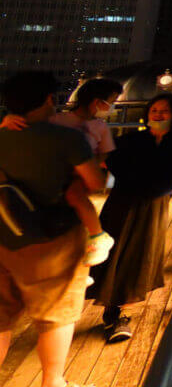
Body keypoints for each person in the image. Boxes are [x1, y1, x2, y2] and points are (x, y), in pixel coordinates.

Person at [0, 71, 107, 387]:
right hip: (50, 238)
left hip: (3, 235)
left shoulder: (1, 133)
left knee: (0, 314)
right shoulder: (65, 139)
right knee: (57, 314)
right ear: (48, 99)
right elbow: (95, 183)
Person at [91, 93, 172, 343]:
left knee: (141, 253)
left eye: (164, 111)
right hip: (123, 202)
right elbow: (103, 158)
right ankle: (114, 311)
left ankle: (120, 310)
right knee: (116, 252)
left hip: (154, 205)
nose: (158, 114)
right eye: (154, 110)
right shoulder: (132, 139)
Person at [51, 79, 121, 265]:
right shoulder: (58, 119)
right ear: (97, 101)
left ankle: (97, 236)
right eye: (111, 100)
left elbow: (104, 153)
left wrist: (86, 165)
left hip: (79, 175)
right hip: (56, 173)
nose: (111, 106)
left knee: (75, 195)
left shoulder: (100, 127)